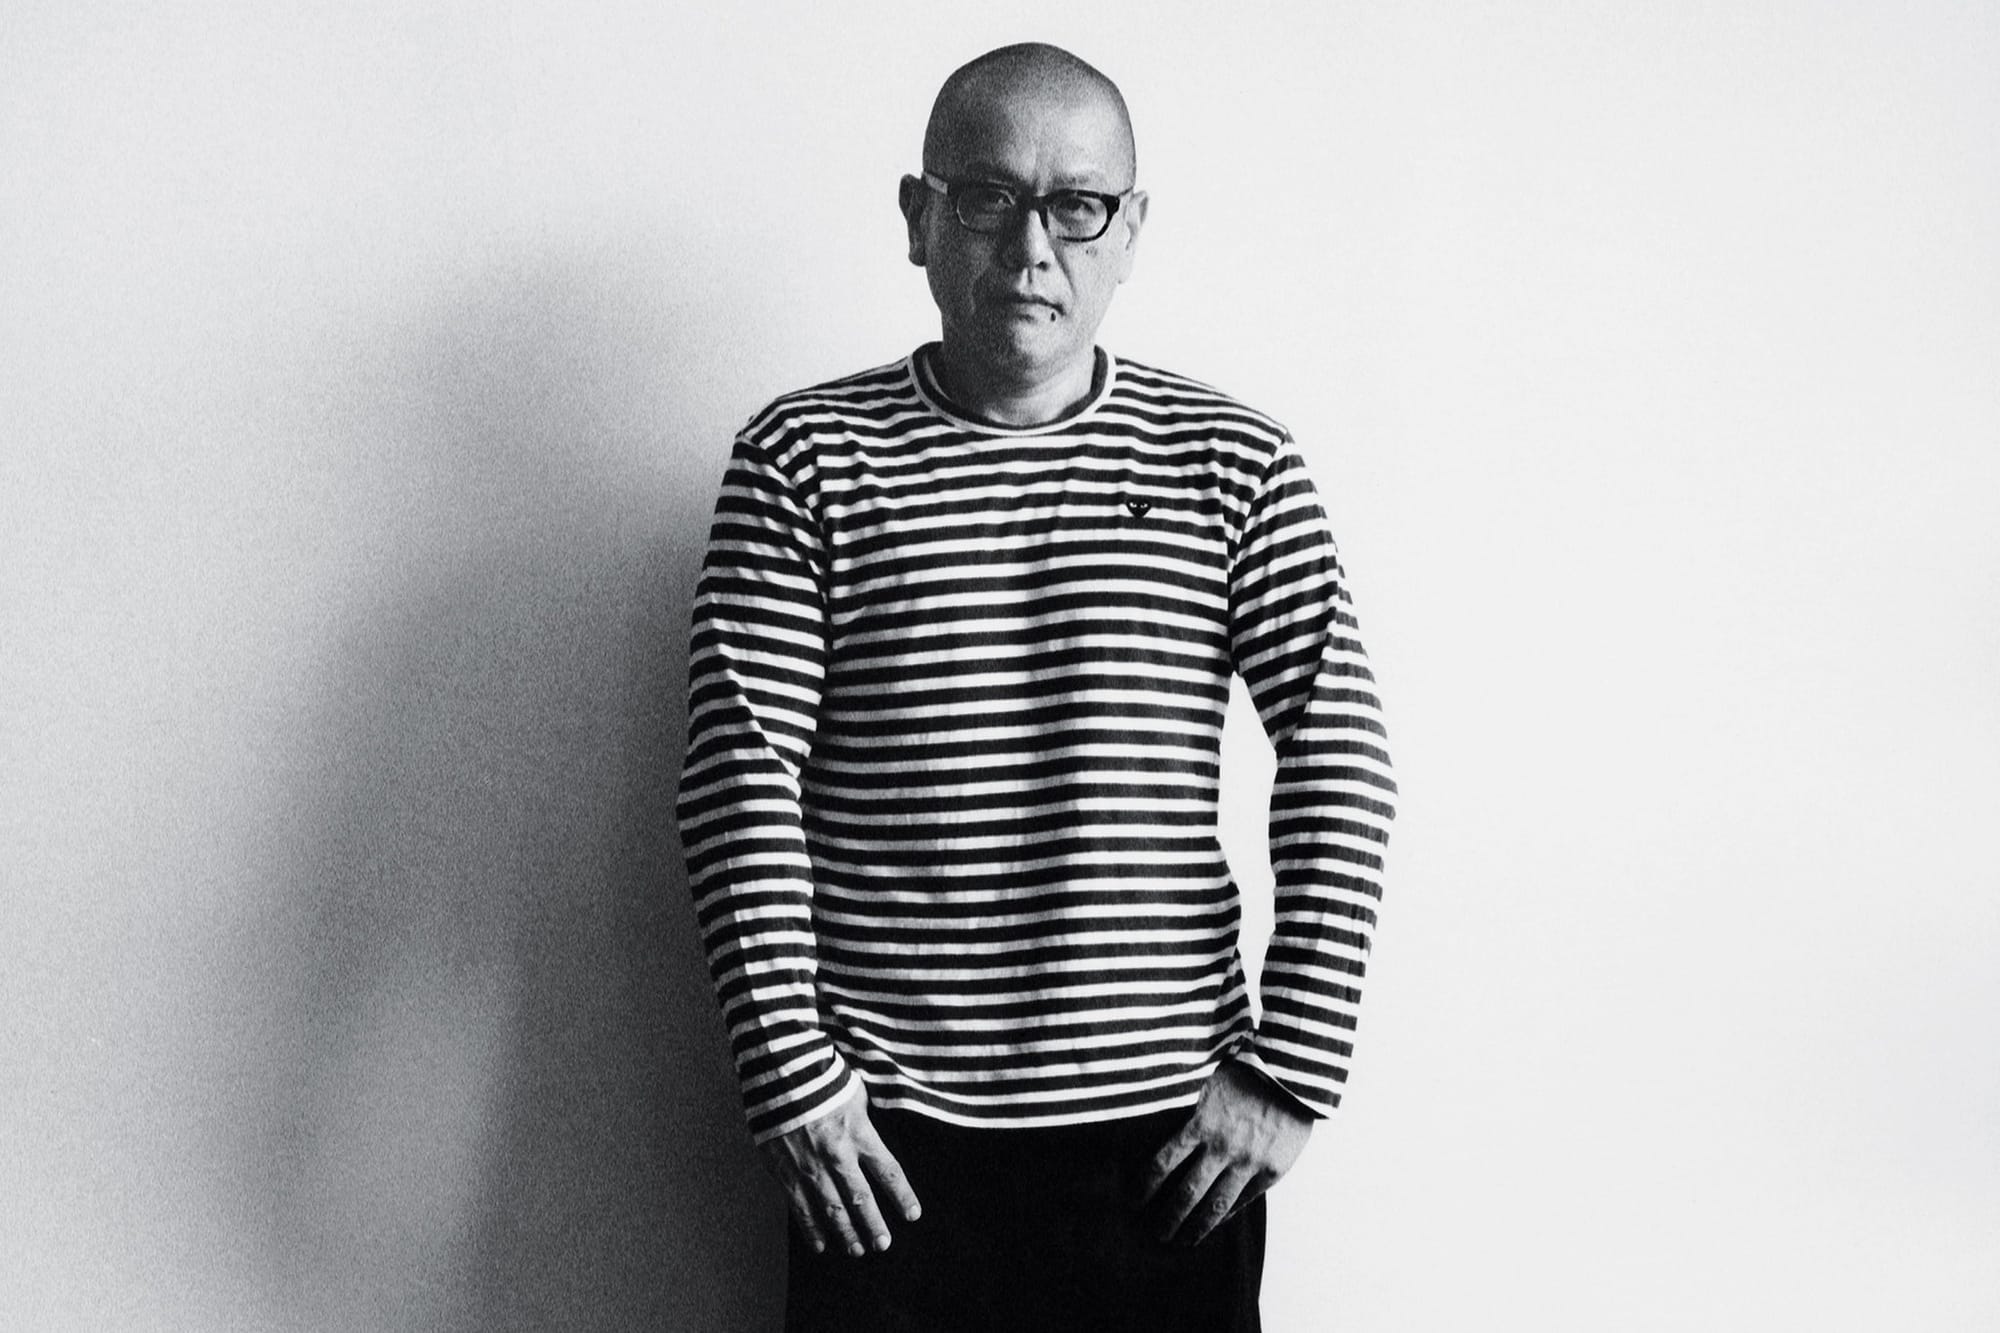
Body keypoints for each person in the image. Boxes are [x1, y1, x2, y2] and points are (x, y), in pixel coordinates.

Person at [678, 41, 1395, 1332]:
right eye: (985, 198)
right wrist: (791, 1077)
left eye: (1077, 206)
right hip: (881, 1146)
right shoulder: (804, 458)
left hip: (1170, 1149)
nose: (1030, 250)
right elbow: (740, 775)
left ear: (1132, 230)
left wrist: (1291, 1066)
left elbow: (1338, 756)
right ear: (919, 217)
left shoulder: (1234, 462)